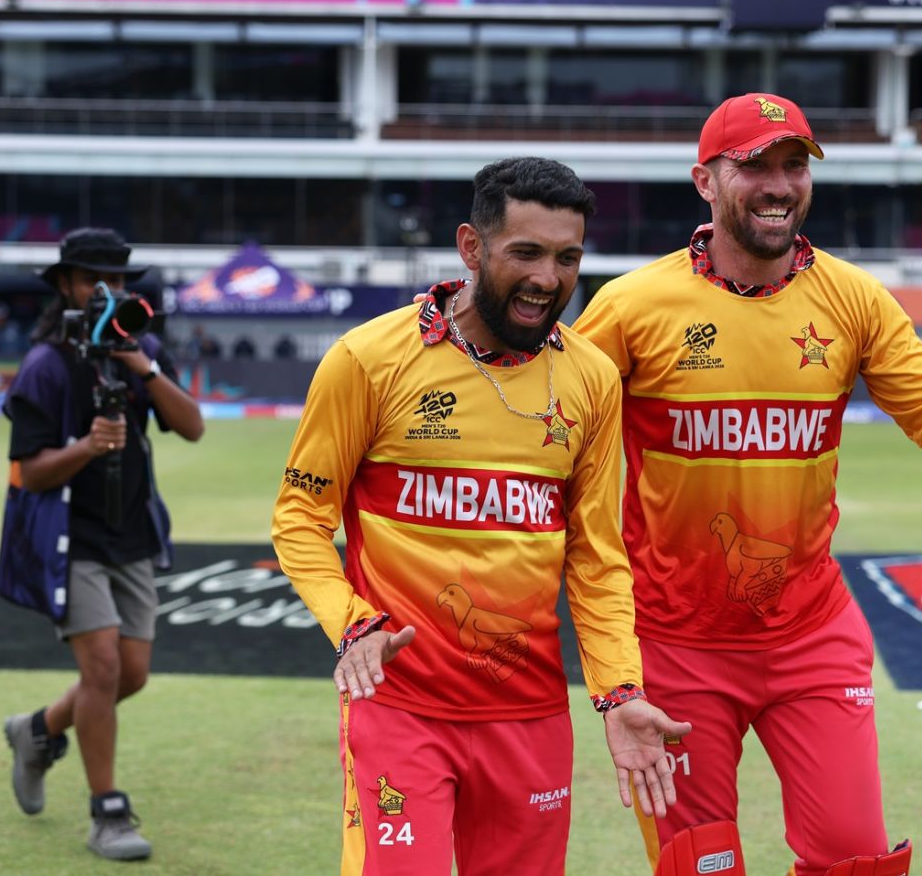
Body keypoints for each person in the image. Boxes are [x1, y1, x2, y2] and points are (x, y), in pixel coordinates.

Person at [572, 94, 922, 876]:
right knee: (702, 867)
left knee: (857, 859)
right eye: (754, 164)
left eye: (794, 165)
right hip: (676, 645)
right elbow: (552, 435)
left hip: (809, 637)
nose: (778, 183)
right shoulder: (630, 306)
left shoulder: (854, 299)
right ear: (705, 180)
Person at [271, 157, 691, 876]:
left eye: (567, 258)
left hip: (529, 718)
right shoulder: (368, 360)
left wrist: (619, 690)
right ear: (472, 247)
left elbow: (595, 557)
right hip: (400, 710)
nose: (548, 279)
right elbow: (299, 519)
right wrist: (353, 622)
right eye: (525, 252)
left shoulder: (591, 377)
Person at [0, 227, 204, 861]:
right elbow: (29, 472)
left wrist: (141, 366)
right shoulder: (44, 364)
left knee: (131, 674)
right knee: (103, 669)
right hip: (71, 537)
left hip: (131, 532)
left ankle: (36, 731)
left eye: (116, 282)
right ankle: (107, 812)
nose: (106, 294)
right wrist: (88, 447)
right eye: (92, 280)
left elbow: (192, 426)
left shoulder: (138, 346)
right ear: (65, 285)